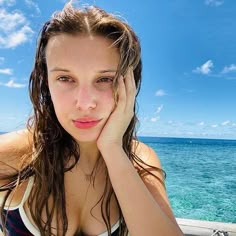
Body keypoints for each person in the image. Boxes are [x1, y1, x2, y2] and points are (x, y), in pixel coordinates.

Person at [0, 2, 183, 236]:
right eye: (65, 78)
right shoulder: (20, 155)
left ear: (129, 84)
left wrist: (113, 149)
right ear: (47, 82)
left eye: (104, 79)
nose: (85, 103)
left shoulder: (138, 160)